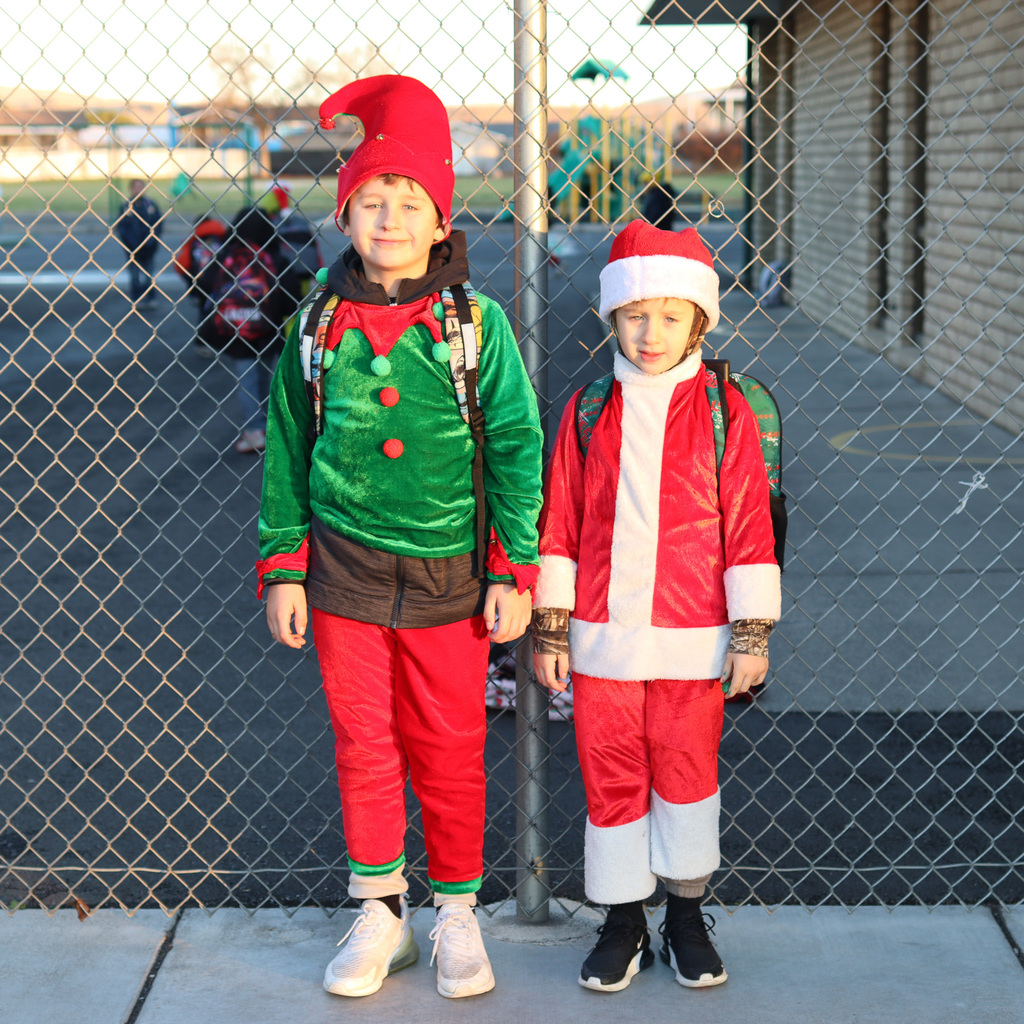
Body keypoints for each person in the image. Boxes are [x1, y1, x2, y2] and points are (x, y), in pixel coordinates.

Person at [256, 75, 543, 1000]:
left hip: (449, 577)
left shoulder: (474, 326)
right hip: (341, 574)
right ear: (344, 215)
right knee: (363, 743)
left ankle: (455, 913)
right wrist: (284, 567)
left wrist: (514, 566)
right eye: (371, 200)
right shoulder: (315, 326)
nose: (389, 217)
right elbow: (289, 453)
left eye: (409, 201)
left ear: (440, 220)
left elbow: (514, 445)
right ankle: (382, 910)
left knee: (450, 742)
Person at [531, 219, 781, 994]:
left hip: (694, 638)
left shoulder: (726, 408)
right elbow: (560, 521)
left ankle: (683, 913)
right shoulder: (586, 408)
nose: (651, 332)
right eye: (635, 315)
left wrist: (750, 632)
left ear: (699, 320)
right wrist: (551, 627)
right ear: (611, 315)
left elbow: (747, 520)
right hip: (603, 640)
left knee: (686, 770)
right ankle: (622, 918)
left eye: (671, 316)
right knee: (610, 774)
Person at [196, 205, 291, 453]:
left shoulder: (227, 255)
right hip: (270, 327)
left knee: (247, 380)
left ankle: (254, 430)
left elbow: (205, 284)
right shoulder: (274, 256)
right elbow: (290, 297)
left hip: (236, 328)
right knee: (274, 378)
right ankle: (279, 427)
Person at [115, 178, 164, 308]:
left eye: (141, 187)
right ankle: (137, 298)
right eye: (136, 187)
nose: (138, 190)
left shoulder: (150, 205)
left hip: (148, 247)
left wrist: (151, 242)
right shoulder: (126, 206)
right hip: (133, 248)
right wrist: (131, 244)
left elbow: (158, 224)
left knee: (149, 274)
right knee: (135, 275)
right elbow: (122, 228)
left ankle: (151, 297)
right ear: (131, 189)